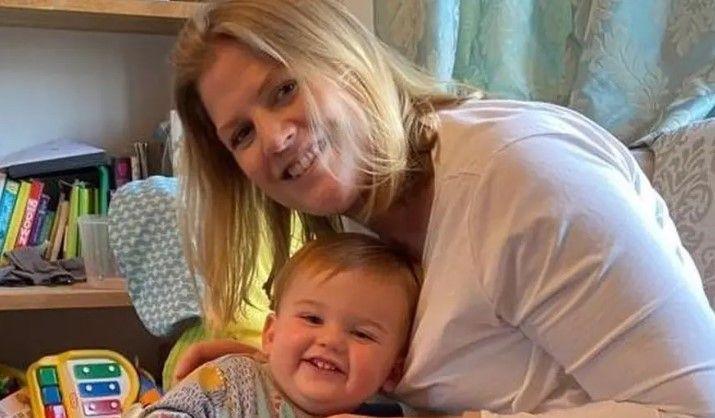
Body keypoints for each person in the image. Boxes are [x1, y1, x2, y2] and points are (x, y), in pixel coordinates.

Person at [170, 0, 715, 417]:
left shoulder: (522, 176)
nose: (274, 138)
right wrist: (274, 375)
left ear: (348, 64)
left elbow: (697, 405)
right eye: (241, 134)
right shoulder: (351, 213)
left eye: (284, 89)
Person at [137, 233, 420, 417]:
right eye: (312, 318)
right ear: (271, 334)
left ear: (392, 372)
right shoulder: (231, 381)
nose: (331, 340)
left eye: (361, 334)